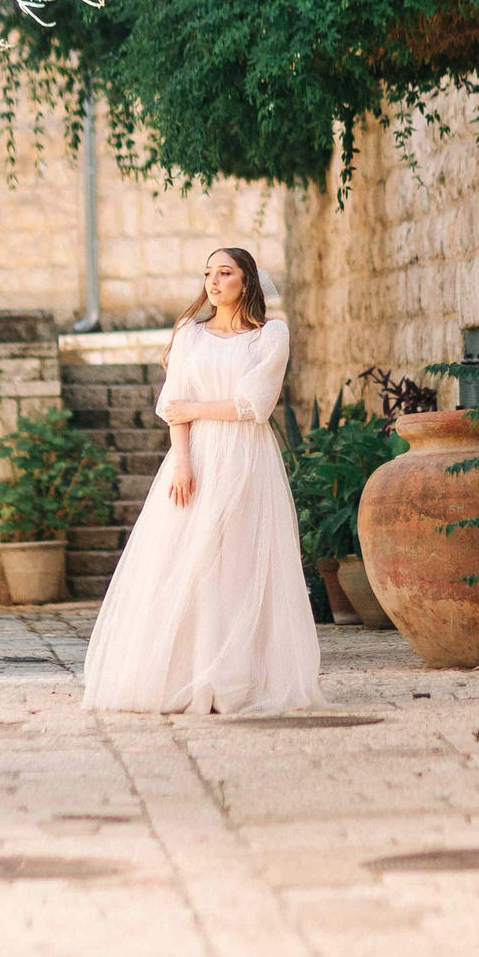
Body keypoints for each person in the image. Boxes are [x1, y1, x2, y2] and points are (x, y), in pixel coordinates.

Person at [80, 247, 323, 714]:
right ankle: (189, 674)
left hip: (249, 457)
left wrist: (195, 410)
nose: (213, 281)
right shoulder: (189, 334)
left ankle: (240, 676)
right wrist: (183, 461)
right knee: (188, 560)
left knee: (240, 562)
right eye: (208, 273)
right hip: (197, 456)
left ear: (246, 281)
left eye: (225, 273)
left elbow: (254, 405)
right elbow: (175, 403)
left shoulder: (270, 336)